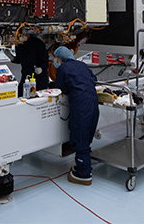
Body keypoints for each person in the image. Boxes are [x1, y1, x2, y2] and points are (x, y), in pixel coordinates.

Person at [52, 45, 99, 186]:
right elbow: (94, 78)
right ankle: (83, 165)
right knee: (86, 135)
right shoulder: (82, 64)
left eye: (56, 59)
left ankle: (83, 174)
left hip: (80, 105)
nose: (56, 61)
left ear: (60, 58)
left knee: (79, 136)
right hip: (93, 102)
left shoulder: (62, 69)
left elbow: (61, 88)